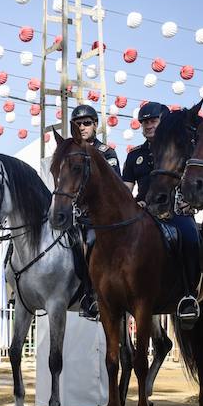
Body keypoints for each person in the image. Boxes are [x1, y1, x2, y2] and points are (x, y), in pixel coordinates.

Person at [122, 102, 201, 326]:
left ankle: (188, 296)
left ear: (164, 122)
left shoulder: (181, 147)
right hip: (144, 213)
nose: (148, 125)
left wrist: (190, 201)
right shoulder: (134, 155)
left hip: (176, 211)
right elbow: (126, 189)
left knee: (190, 238)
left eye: (153, 120)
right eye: (144, 122)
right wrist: (132, 204)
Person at [69, 104, 119, 321]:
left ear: (95, 125)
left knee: (88, 243)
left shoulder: (106, 152)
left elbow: (114, 186)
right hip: (74, 216)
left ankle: (92, 296)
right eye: (78, 124)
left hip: (99, 219)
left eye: (87, 123)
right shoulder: (71, 153)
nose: (82, 127)